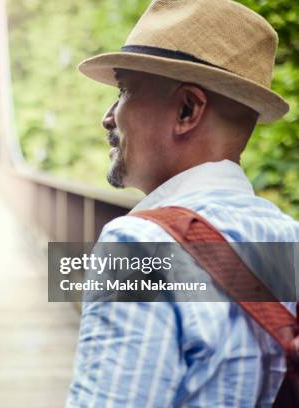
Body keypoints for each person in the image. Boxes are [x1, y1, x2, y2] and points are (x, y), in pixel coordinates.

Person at [66, 0, 299, 406]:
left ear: (187, 110)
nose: (108, 116)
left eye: (123, 90)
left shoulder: (137, 246)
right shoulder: (289, 239)